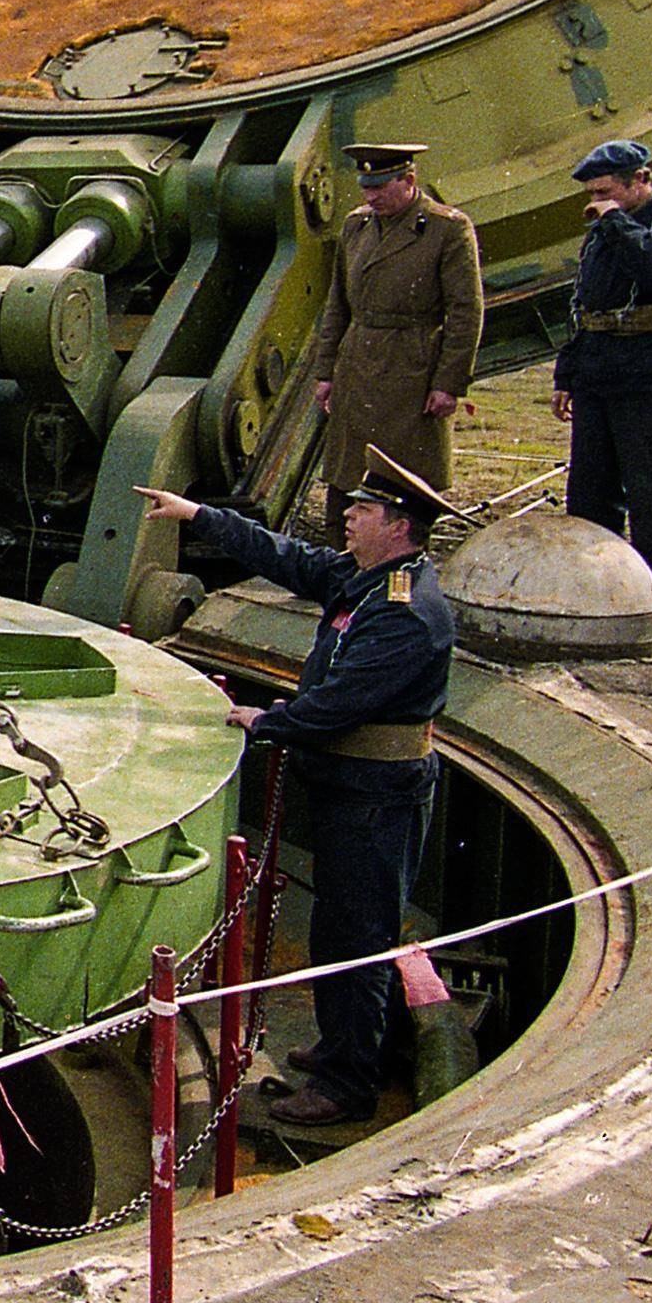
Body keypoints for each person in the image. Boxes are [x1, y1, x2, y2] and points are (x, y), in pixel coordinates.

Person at [135, 449, 456, 1128]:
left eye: (362, 510)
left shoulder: (403, 612)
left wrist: (268, 721)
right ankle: (345, 1043)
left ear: (398, 527)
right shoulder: (366, 578)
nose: (346, 516)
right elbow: (286, 556)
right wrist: (199, 515)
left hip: (376, 796)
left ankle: (348, 1084)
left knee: (356, 935)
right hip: (351, 786)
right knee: (341, 927)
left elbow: (337, 703)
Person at [551, 139, 652, 645]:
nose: (597, 201)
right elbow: (586, 303)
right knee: (590, 495)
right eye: (592, 192)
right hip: (598, 369)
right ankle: (593, 594)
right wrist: (567, 373)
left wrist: (615, 223)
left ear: (640, 179)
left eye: (606, 191)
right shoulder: (603, 232)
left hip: (650, 371)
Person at [307, 144, 482, 501]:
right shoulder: (356, 226)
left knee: (405, 481)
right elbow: (338, 305)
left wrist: (448, 383)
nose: (370, 197)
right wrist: (326, 373)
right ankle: (341, 549)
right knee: (347, 475)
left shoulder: (446, 229)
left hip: (411, 369)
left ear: (409, 181)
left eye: (380, 188)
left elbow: (465, 312)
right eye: (365, 187)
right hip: (357, 366)